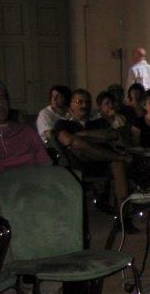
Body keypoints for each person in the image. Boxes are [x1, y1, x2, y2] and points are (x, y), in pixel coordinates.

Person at [0, 77, 58, 294]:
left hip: (30, 204)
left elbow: (46, 169)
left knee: (61, 232)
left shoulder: (24, 132)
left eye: (1, 98)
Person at [54, 88, 136, 232]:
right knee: (77, 144)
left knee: (118, 165)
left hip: (102, 163)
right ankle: (119, 157)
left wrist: (83, 133)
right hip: (77, 165)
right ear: (71, 105)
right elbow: (67, 139)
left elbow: (111, 135)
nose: (84, 105)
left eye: (87, 102)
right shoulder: (63, 124)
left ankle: (123, 218)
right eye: (79, 102)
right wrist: (89, 138)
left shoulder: (98, 122)